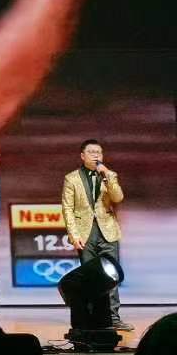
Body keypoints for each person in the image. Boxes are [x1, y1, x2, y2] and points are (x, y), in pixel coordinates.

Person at [61, 139, 133, 331]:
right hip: (85, 233)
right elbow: (67, 208)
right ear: (82, 156)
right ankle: (94, 320)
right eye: (91, 152)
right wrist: (73, 234)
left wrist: (107, 176)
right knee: (91, 277)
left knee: (111, 275)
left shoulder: (110, 175)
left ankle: (113, 318)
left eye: (99, 152)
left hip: (107, 231)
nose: (96, 155)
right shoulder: (71, 178)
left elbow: (118, 198)